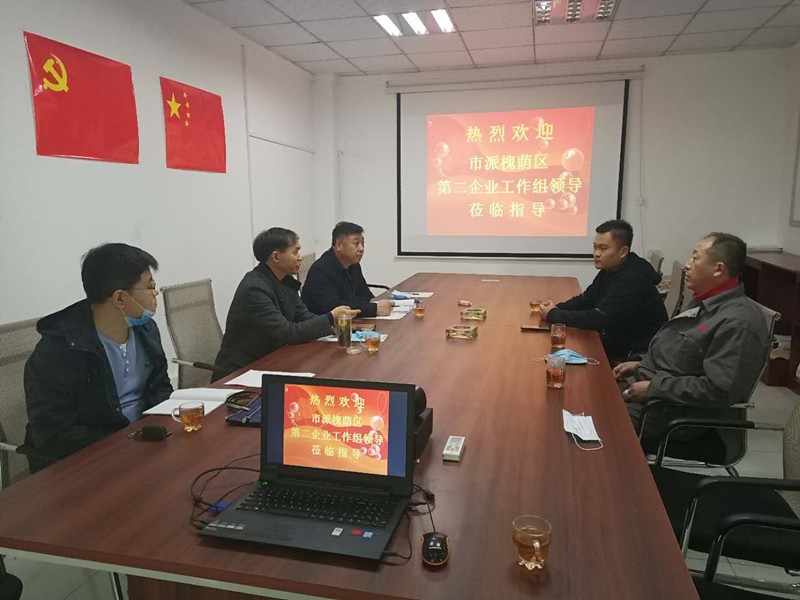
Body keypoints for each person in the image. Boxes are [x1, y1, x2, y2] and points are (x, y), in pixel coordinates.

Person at [22, 243, 172, 473]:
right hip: (87, 463)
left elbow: (160, 385)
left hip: (144, 447)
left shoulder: (146, 330)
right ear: (120, 299)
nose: (156, 293)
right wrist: (130, 439)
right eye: (150, 286)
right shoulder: (59, 350)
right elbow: (53, 435)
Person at [613, 233, 769, 444]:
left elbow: (718, 390)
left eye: (695, 258)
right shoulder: (705, 302)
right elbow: (681, 356)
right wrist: (641, 365)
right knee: (584, 395)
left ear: (718, 269)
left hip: (674, 416)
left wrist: (654, 387)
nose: (687, 265)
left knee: (596, 421)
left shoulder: (738, 322)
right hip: (653, 395)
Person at [213, 227, 357, 380]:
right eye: (295, 252)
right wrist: (330, 317)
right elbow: (287, 333)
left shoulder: (285, 281)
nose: (300, 258)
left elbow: (304, 316)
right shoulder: (254, 289)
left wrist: (335, 327)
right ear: (276, 256)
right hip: (241, 372)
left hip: (273, 360)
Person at [540, 219, 667, 362]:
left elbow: (599, 318)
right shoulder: (611, 269)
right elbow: (586, 300)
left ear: (623, 252)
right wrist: (556, 309)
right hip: (615, 343)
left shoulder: (633, 280)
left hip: (633, 355)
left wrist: (554, 314)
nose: (596, 253)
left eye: (603, 248)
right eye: (595, 247)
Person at [301, 221, 393, 318]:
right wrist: (373, 309)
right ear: (339, 245)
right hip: (324, 325)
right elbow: (335, 308)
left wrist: (378, 305)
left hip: (350, 321)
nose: (361, 248)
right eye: (356, 243)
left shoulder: (353, 264)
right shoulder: (320, 270)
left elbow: (365, 295)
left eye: (362, 243)